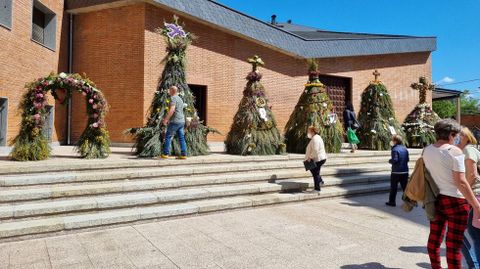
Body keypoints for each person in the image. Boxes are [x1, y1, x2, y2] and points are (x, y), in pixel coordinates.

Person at [423, 119, 480, 269]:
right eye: (457, 135)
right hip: (457, 202)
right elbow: (461, 182)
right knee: (453, 246)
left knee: (434, 239)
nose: (458, 138)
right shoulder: (455, 152)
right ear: (452, 134)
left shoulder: (427, 150)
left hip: (437, 199)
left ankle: (436, 267)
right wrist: (476, 204)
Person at [458, 127, 480, 268]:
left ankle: (474, 265)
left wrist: (463, 195)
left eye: (457, 135)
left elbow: (471, 176)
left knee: (465, 234)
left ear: (465, 136)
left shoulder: (468, 150)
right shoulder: (468, 150)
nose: (454, 138)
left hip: (473, 196)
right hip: (474, 196)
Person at [161, 86, 187, 159]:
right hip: (182, 121)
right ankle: (183, 154)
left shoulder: (173, 98)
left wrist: (166, 119)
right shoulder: (180, 99)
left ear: (172, 91)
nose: (168, 91)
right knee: (181, 138)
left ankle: (165, 153)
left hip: (175, 121)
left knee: (168, 136)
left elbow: (172, 110)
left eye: (169, 90)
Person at [386, 135, 409, 207]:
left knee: (393, 187)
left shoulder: (395, 149)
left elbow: (395, 160)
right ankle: (408, 201)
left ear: (395, 141)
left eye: (392, 140)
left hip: (396, 172)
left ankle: (392, 202)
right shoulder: (405, 149)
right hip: (405, 171)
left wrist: (390, 161)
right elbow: (407, 159)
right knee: (405, 187)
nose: (392, 141)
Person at [305, 126, 327, 192]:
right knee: (315, 172)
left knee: (315, 173)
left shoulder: (315, 139)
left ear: (312, 132)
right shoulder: (316, 137)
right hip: (319, 158)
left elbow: (315, 150)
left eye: (309, 131)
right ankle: (320, 181)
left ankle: (317, 189)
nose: (308, 133)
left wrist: (310, 157)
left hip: (318, 158)